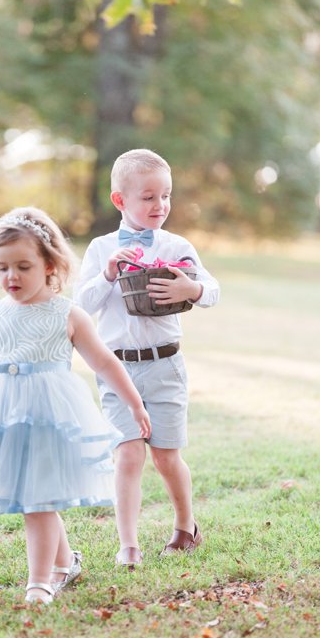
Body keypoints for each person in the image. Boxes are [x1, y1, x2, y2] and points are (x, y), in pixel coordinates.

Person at [0, 207, 151, 604]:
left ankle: (40, 581)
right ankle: (65, 562)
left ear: (49, 264)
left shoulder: (67, 314)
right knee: (33, 495)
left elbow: (104, 361)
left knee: (37, 501)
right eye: (2, 268)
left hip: (52, 418)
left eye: (23, 267)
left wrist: (134, 404)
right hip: (4, 418)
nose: (11, 277)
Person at [76, 149, 220, 567]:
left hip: (165, 365)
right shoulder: (102, 248)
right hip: (116, 367)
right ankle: (129, 545)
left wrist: (189, 291)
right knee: (128, 453)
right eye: (149, 197)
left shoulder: (177, 246)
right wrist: (107, 273)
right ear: (120, 200)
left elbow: (212, 290)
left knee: (165, 456)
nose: (160, 206)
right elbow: (81, 304)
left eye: (167, 196)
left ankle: (185, 526)